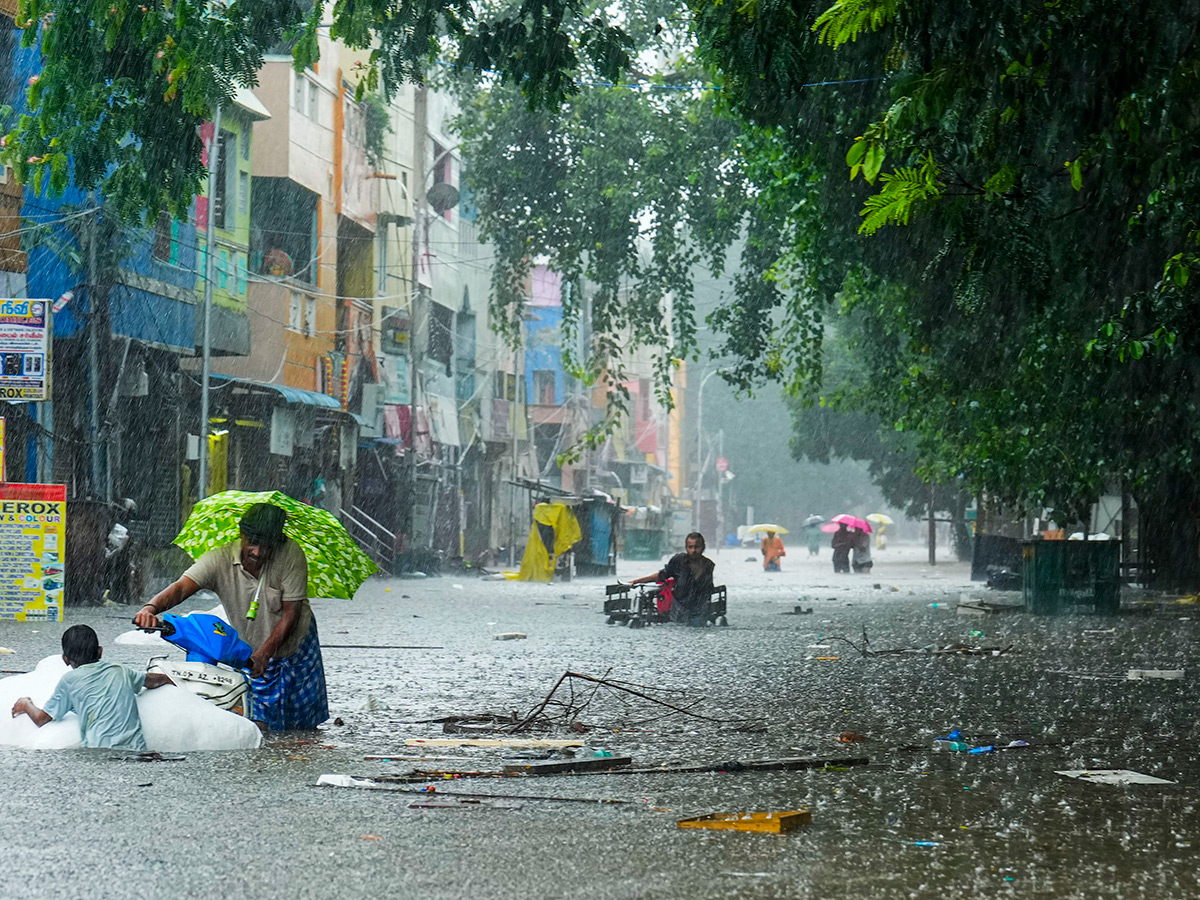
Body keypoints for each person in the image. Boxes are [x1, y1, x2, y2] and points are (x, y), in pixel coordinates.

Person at [134, 502, 328, 731]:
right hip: (253, 648)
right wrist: (150, 608)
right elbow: (181, 588)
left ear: (276, 544)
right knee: (258, 720)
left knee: (302, 720)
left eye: (266, 546)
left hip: (296, 642)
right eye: (253, 543)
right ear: (242, 534)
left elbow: (291, 613)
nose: (257, 552)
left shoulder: (290, 554)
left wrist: (265, 654)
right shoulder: (220, 560)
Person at [11, 624, 173, 750]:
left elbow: (42, 719)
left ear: (65, 659)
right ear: (100, 651)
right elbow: (150, 681)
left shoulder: (70, 681)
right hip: (138, 750)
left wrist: (26, 704)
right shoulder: (119, 670)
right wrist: (170, 679)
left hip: (100, 753)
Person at [630, 532, 716, 627]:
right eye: (690, 547)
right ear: (686, 547)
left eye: (697, 547)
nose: (693, 550)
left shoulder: (708, 565)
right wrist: (638, 581)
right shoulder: (678, 561)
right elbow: (662, 575)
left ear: (703, 547)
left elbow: (708, 589)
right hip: (679, 609)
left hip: (699, 611)